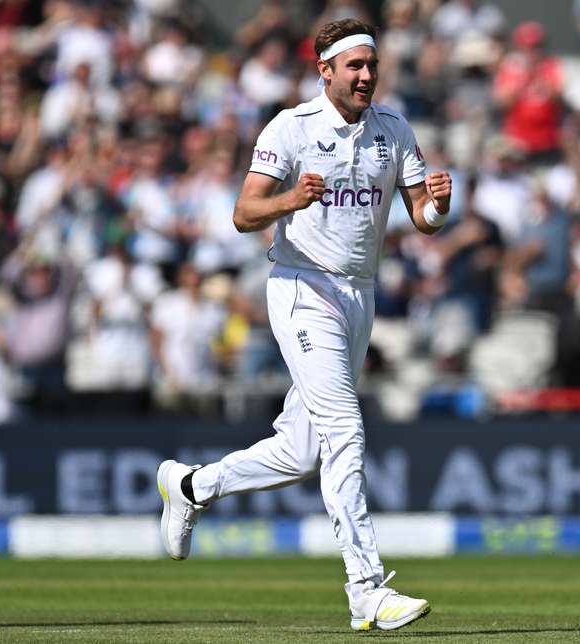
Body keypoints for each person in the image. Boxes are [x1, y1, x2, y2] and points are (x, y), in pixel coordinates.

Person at [155, 19, 451, 632]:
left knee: (300, 450)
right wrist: (289, 201)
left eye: (372, 66)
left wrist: (437, 206)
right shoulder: (292, 128)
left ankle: (191, 487)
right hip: (301, 287)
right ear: (326, 71)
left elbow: (421, 215)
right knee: (345, 428)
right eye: (355, 67)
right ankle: (366, 589)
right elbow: (243, 212)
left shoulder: (393, 129)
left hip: (359, 295)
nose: (367, 76)